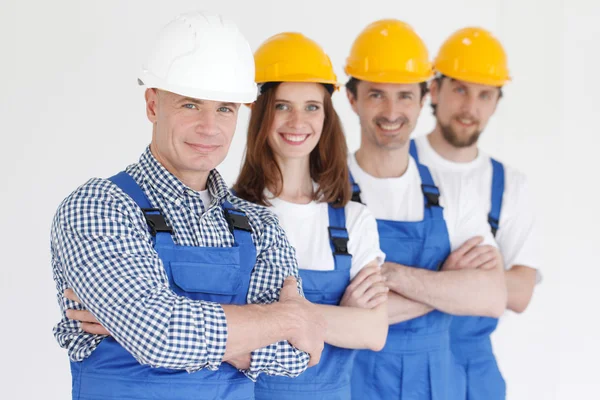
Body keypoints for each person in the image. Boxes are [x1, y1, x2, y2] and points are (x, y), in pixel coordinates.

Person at [50, 12, 326, 400]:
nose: (209, 127)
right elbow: (157, 335)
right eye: (190, 105)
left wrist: (148, 324)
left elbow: (294, 356)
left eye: (225, 108)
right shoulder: (99, 207)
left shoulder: (259, 225)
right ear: (152, 104)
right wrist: (288, 317)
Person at [341, 19, 507, 399]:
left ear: (424, 97)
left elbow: (491, 297)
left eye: (404, 96)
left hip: (437, 385)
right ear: (352, 99)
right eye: (376, 95)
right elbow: (328, 314)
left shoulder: (455, 191)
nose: (391, 111)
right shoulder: (327, 191)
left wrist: (391, 275)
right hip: (353, 384)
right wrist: (444, 284)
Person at [232, 32, 389, 400]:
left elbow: (373, 332)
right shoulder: (229, 214)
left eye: (311, 106)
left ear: (327, 113)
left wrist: (271, 317)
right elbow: (223, 336)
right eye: (282, 106)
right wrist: (337, 317)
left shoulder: (354, 220)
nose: (297, 121)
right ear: (258, 110)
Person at [410, 26, 541, 400]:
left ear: (497, 102)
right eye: (460, 89)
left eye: (485, 94)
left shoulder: (510, 185)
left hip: (473, 370)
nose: (471, 107)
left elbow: (521, 293)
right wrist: (473, 280)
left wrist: (422, 280)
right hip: (399, 360)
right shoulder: (395, 166)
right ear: (434, 90)